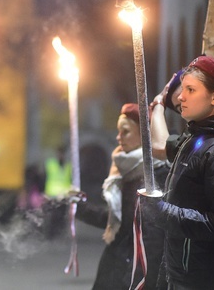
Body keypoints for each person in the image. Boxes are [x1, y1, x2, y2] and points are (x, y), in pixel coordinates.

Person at [142, 56, 214, 289]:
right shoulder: (194, 141)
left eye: (190, 89)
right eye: (182, 89)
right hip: (185, 275)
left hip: (206, 279)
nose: (181, 97)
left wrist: (161, 210)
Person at [73, 103, 169, 290]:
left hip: (139, 270)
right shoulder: (123, 172)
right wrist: (80, 208)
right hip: (117, 264)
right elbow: (120, 222)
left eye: (125, 132)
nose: (118, 138)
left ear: (144, 135)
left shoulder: (158, 174)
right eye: (118, 132)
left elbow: (155, 235)